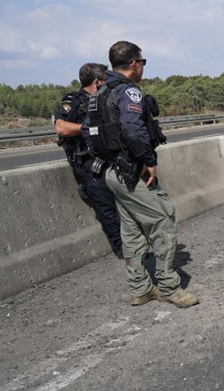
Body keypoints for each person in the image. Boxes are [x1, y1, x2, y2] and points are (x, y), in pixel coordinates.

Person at [82, 40, 199, 308]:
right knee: (164, 218)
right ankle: (169, 287)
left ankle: (141, 289)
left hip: (112, 171)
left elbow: (90, 131)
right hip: (131, 172)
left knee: (132, 231)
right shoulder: (128, 92)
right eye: (142, 62)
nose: (143, 67)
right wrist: (147, 160)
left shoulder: (99, 91)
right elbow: (133, 130)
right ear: (134, 63)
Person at [54, 63, 123, 258]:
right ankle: (122, 250)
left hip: (111, 157)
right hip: (88, 164)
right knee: (106, 206)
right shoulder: (73, 101)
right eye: (105, 79)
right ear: (96, 81)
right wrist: (88, 127)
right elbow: (61, 128)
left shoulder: (107, 98)